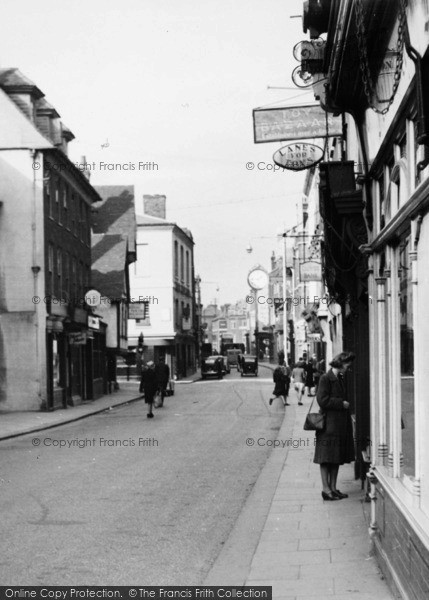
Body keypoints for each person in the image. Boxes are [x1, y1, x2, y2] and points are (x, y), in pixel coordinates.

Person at [314, 351, 356, 501]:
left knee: (335, 457)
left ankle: (333, 488)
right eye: (347, 365)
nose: (348, 368)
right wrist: (341, 403)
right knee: (326, 458)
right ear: (340, 363)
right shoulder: (326, 378)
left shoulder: (341, 377)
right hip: (328, 426)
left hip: (338, 425)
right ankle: (326, 490)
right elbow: (322, 400)